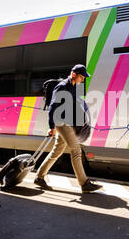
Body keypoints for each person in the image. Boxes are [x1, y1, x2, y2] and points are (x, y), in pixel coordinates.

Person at [33, 64, 103, 193]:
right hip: (61, 122)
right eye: (82, 77)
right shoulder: (62, 87)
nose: (82, 80)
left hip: (68, 122)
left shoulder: (72, 86)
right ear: (74, 74)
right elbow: (53, 108)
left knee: (57, 151)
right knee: (76, 150)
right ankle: (84, 183)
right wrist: (52, 127)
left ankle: (39, 177)